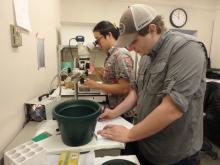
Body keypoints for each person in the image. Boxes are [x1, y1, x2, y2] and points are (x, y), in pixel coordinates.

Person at [97, 4, 207, 165]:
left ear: (152, 29)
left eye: (133, 41)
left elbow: (172, 108)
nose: (130, 48)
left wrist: (129, 134)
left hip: (174, 154)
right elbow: (136, 91)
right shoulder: (146, 56)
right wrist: (114, 113)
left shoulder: (186, 49)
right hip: (145, 143)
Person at [82, 21, 135, 121]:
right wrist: (94, 71)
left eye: (98, 39)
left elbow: (124, 88)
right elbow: (109, 81)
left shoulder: (121, 55)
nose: (97, 43)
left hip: (123, 113)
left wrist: (96, 85)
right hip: (114, 108)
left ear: (109, 35)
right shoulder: (111, 55)